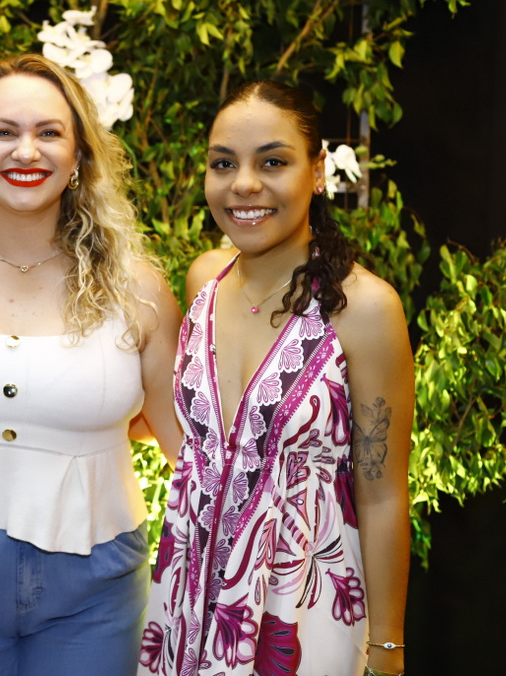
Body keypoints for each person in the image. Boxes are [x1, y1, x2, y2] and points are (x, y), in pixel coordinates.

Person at [0, 53, 184, 676]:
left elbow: (188, 448)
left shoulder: (139, 291)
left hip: (97, 588)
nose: (27, 151)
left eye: (49, 132)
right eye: (4, 132)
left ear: (78, 155)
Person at [138, 80, 413, 676]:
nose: (243, 184)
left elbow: (384, 494)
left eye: (272, 162)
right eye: (223, 163)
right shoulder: (203, 283)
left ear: (317, 172)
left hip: (303, 614)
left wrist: (387, 652)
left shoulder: (365, 309)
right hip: (185, 605)